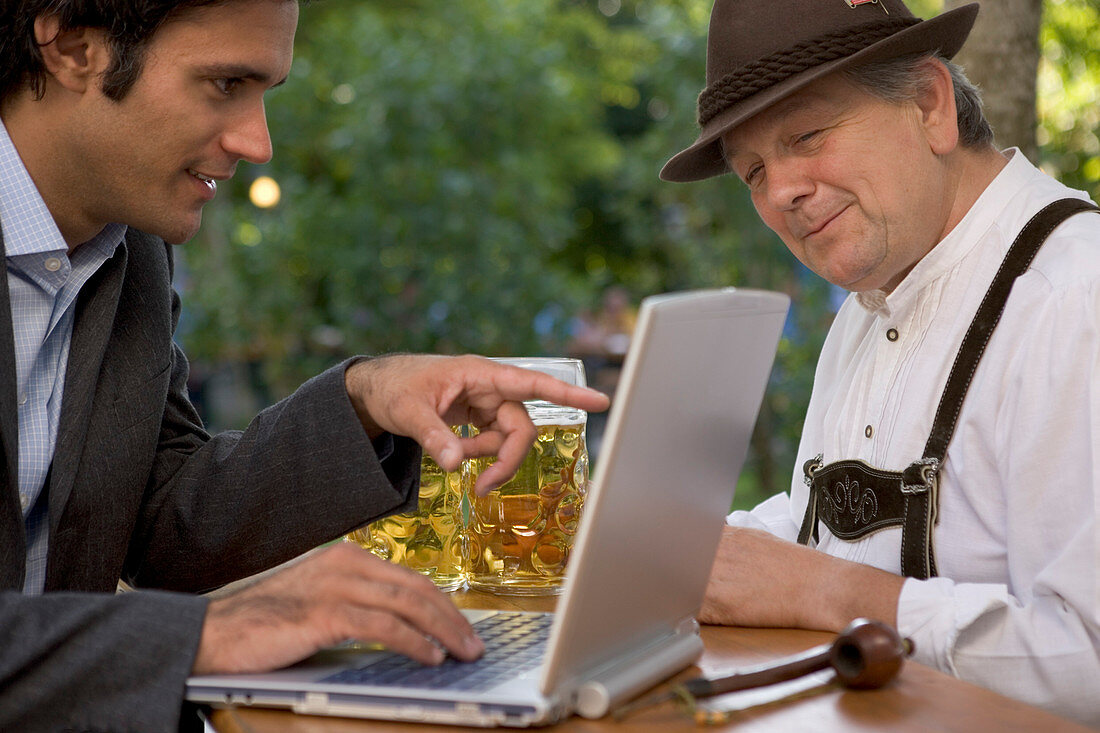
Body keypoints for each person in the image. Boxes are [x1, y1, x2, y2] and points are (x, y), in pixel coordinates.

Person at [0, 1, 610, 730]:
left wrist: (366, 398)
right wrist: (207, 635)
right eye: (226, 84)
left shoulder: (127, 247)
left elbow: (163, 524)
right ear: (73, 48)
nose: (257, 142)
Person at [661, 0, 1099, 725]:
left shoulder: (1076, 298)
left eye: (807, 134)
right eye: (753, 172)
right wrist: (671, 550)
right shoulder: (872, 304)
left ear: (929, 106)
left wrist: (826, 593)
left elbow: (1086, 657)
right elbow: (830, 526)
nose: (782, 192)